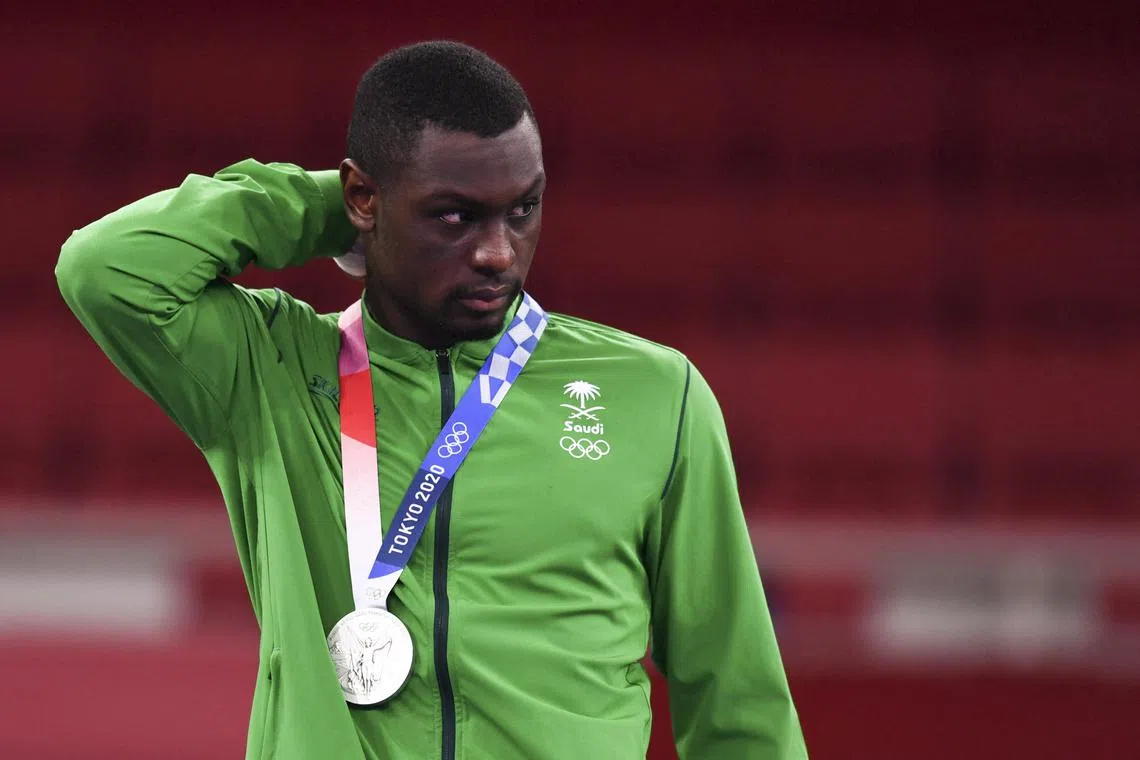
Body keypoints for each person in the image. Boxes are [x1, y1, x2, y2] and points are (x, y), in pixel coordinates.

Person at [56, 40, 807, 760]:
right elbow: (107, 269)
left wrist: (392, 210)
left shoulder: (655, 394)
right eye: (455, 215)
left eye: (523, 209)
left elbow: (736, 704)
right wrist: (327, 211)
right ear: (364, 195)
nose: (498, 252)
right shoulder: (270, 372)